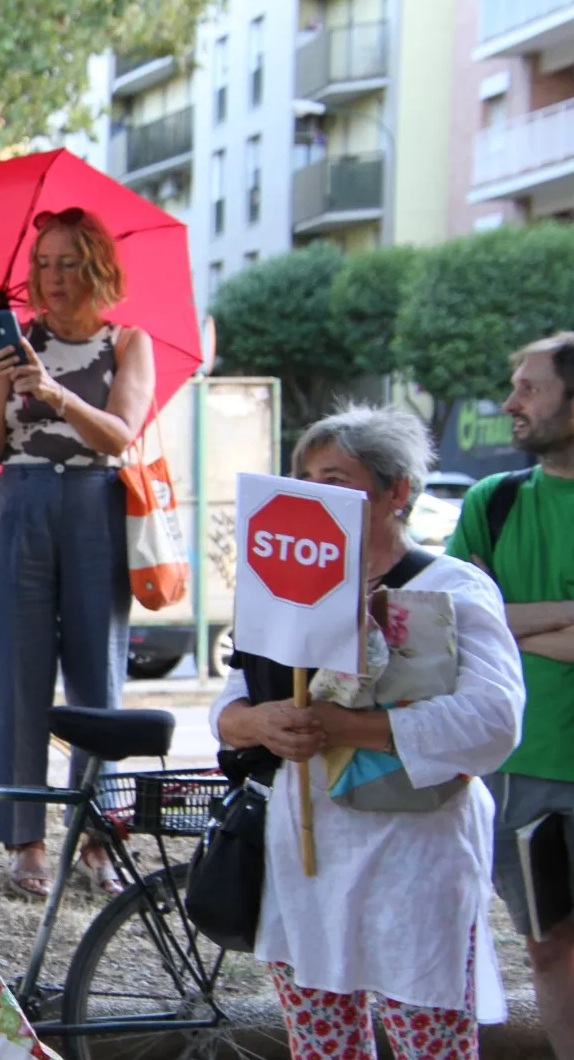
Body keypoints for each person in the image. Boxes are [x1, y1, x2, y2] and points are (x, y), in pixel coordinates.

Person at [212, 405, 524, 1060]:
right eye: (306, 477)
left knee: (428, 1043)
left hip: (417, 859)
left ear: (397, 492)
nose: (315, 493)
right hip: (307, 858)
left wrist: (349, 726)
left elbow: (494, 721)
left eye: (335, 477)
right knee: (322, 1045)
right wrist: (262, 723)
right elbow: (232, 707)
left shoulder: (454, 587)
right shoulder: (283, 590)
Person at [0, 206, 155, 899]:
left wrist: (50, 392)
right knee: (17, 676)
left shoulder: (127, 343)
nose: (52, 277)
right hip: (17, 503)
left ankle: (100, 834)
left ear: (97, 267)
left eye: (68, 262)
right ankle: (27, 840)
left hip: (95, 505)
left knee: (97, 678)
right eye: (43, 263)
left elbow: (120, 435)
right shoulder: (12, 343)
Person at [447, 334, 574, 1059]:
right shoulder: (491, 503)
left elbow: (488, 620)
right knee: (550, 952)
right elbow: (458, 626)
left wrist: (509, 620)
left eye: (529, 388)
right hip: (521, 770)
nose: (510, 403)